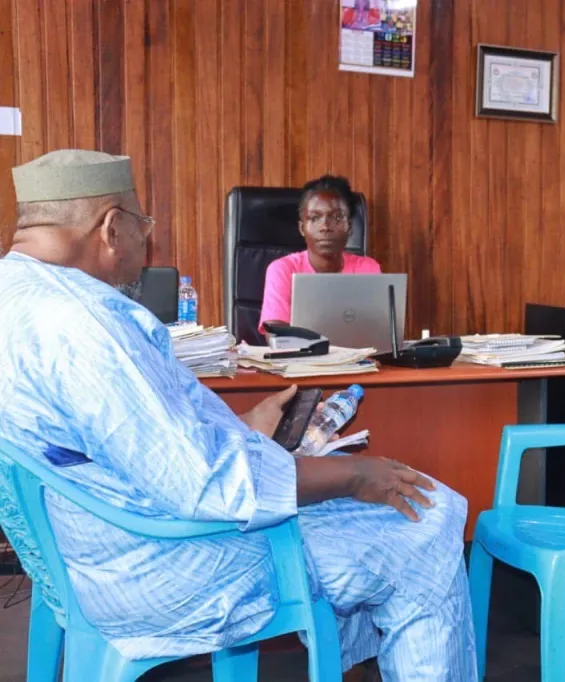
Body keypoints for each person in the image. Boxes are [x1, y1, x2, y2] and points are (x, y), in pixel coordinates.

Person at [0, 150, 476, 681]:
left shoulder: (16, 293)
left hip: (87, 551)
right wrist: (356, 473)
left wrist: (245, 427)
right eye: (143, 226)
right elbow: (208, 484)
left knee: (372, 515)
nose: (144, 242)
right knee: (428, 520)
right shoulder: (86, 322)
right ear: (113, 228)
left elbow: (123, 442)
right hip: (168, 566)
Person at [259, 174, 381, 336]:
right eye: (315, 218)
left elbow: (378, 333)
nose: (325, 226)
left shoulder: (368, 269)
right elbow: (275, 335)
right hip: (299, 361)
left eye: (337, 217)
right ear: (302, 228)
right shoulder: (282, 270)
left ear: (350, 227)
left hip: (357, 360)